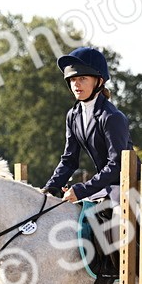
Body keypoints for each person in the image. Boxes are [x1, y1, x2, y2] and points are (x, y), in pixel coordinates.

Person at [40, 46, 133, 258]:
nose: (76, 84)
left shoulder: (112, 117)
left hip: (126, 187)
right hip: (103, 187)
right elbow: (69, 160)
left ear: (99, 81)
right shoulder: (73, 115)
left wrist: (82, 190)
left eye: (82, 78)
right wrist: (49, 189)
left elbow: (117, 165)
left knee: (118, 234)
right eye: (72, 80)